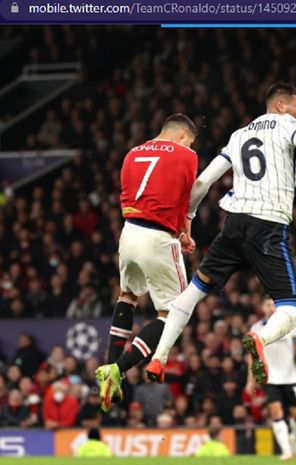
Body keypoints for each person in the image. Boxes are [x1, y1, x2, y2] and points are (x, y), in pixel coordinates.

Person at [146, 82, 296, 385]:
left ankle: (159, 357)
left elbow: (203, 183)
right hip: (267, 227)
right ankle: (260, 337)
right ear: (280, 106)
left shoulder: (238, 135)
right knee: (291, 310)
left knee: (192, 292)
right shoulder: (286, 125)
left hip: (234, 224)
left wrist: (187, 219)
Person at [95, 113, 198, 411]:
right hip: (158, 238)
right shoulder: (186, 154)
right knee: (173, 313)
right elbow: (184, 198)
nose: (190, 144)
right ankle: (121, 368)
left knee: (127, 297)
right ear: (182, 135)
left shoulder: (132, 152)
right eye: (190, 140)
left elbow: (128, 193)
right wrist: (184, 233)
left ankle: (108, 367)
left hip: (129, 232)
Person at [245, 296, 296, 461]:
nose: (271, 308)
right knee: (276, 412)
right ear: (262, 308)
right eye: (267, 305)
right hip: (271, 378)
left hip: (290, 376)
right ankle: (286, 450)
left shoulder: (289, 325)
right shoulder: (256, 327)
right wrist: (250, 379)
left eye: (273, 304)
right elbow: (252, 356)